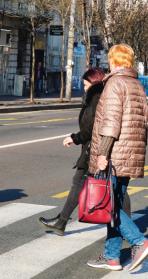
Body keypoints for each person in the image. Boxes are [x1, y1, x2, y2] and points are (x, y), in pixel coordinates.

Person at [86, 44, 148, 272]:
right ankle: (112, 256)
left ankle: (138, 242)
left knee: (107, 206)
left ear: (114, 61)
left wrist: (102, 154)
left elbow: (111, 123)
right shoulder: (137, 84)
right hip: (130, 154)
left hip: (115, 153)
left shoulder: (115, 83)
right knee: (113, 204)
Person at [38, 67, 106, 235]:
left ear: (93, 82)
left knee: (106, 187)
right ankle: (61, 221)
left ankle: (128, 233)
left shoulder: (96, 96)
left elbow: (93, 126)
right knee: (80, 182)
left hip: (94, 147)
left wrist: (75, 138)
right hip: (91, 147)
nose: (84, 88)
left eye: (85, 84)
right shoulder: (96, 96)